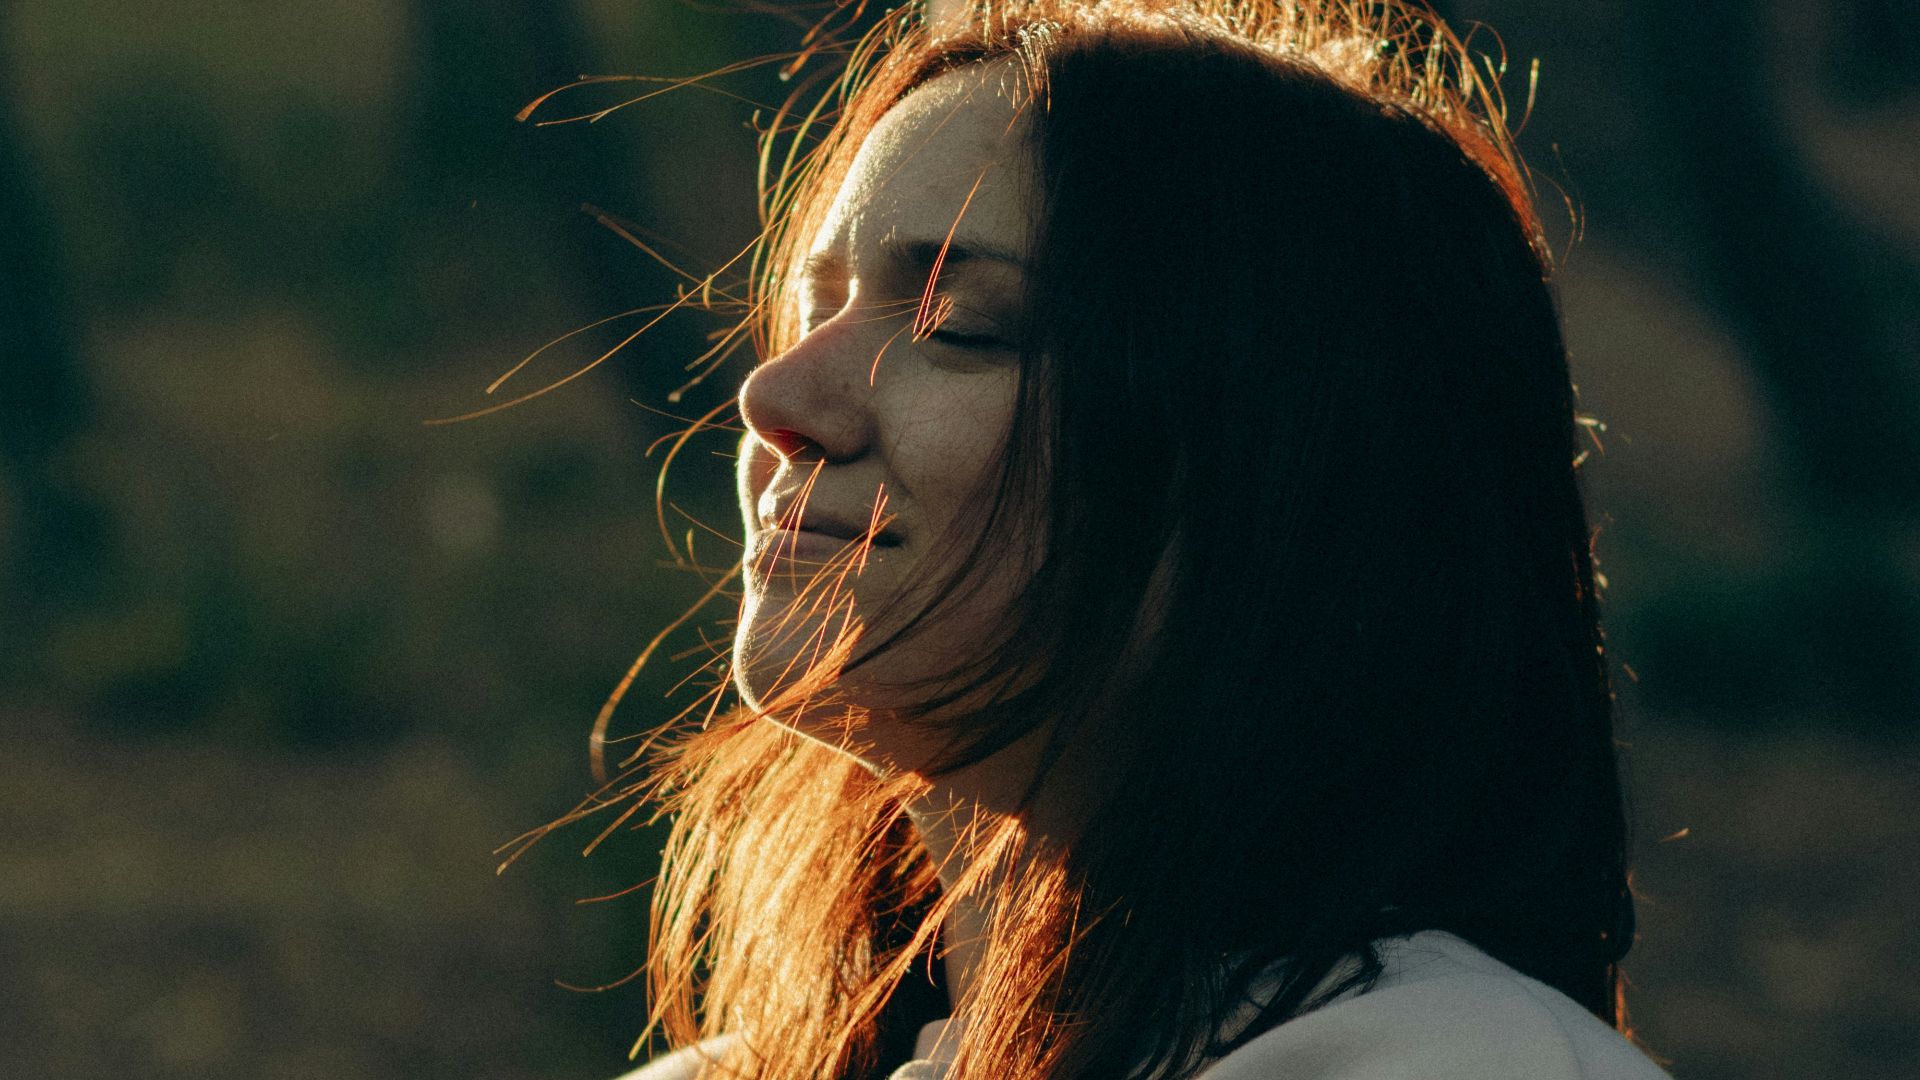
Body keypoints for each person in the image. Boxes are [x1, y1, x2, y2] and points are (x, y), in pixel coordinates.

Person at [569, 1, 1675, 1077]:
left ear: (1278, 469)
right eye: (812, 316)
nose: (775, 394)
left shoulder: (1447, 1061)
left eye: (959, 328)